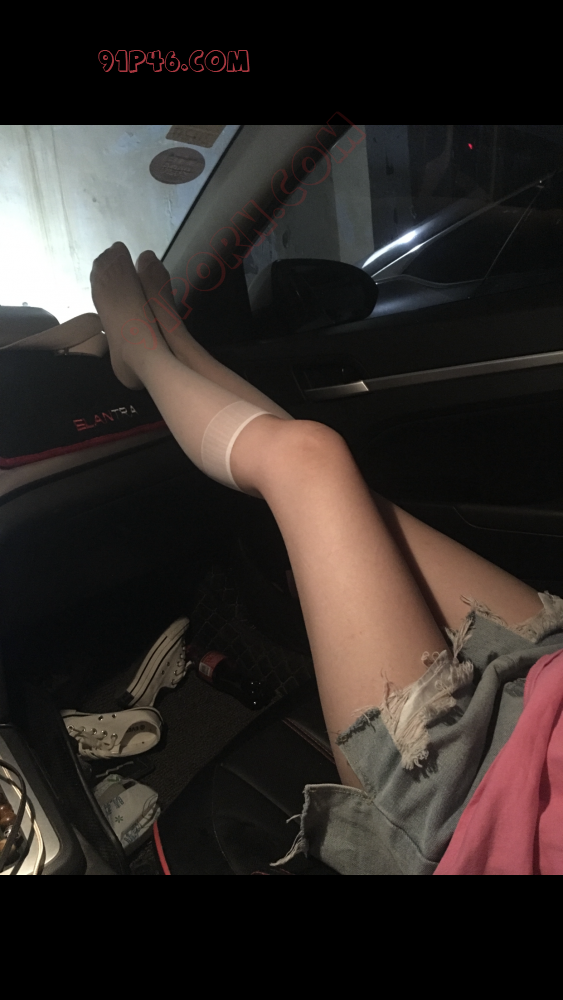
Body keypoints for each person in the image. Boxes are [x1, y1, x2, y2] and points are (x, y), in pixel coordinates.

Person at [90, 243, 563, 875]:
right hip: (549, 688)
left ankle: (143, 351)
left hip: (476, 813)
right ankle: (173, 340)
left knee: (308, 460)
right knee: (353, 501)